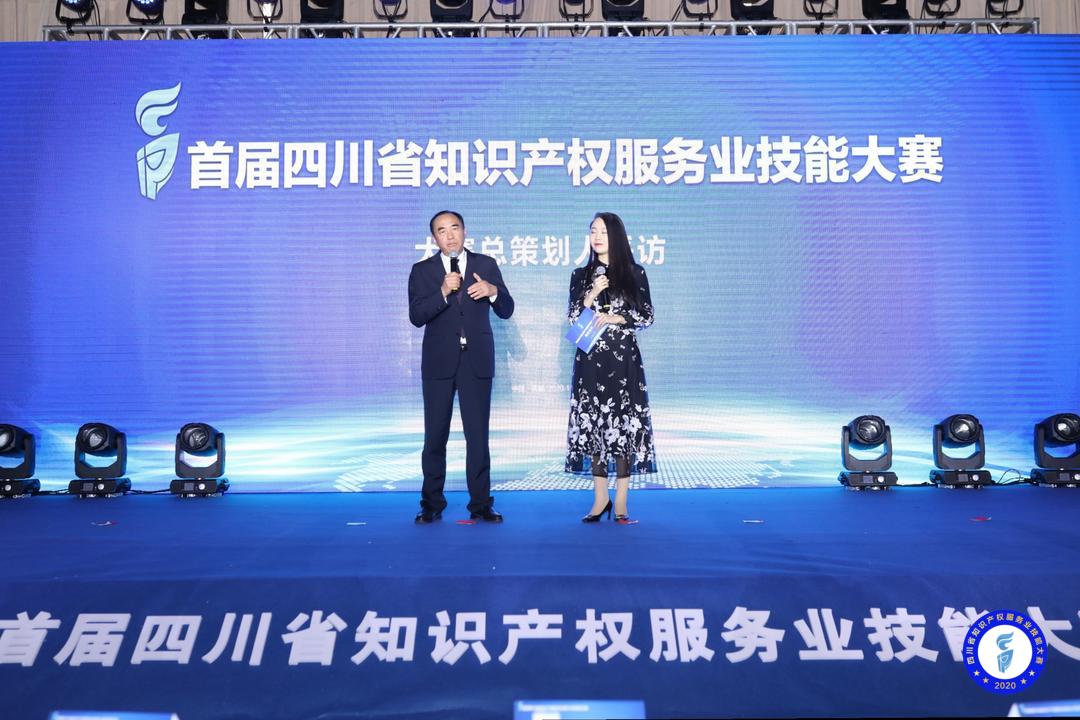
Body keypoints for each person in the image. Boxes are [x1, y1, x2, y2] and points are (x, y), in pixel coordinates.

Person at [408, 211, 515, 524]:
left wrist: (493, 292)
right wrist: (442, 292)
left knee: (478, 437)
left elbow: (507, 309)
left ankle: (481, 504)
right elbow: (416, 316)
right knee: (435, 437)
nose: (450, 235)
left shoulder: (486, 265)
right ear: (434, 238)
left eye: (454, 228)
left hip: (475, 361)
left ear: (465, 231)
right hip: (438, 363)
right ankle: (431, 504)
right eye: (442, 231)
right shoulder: (422, 271)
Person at [565, 212, 657, 524]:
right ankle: (600, 498)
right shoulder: (580, 275)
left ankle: (621, 502)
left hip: (623, 360)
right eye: (593, 231)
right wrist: (592, 292)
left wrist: (617, 318)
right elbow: (572, 318)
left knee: (623, 425)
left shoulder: (635, 272)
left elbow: (646, 315)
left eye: (603, 231)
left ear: (616, 236)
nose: (597, 237)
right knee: (594, 426)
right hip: (590, 359)